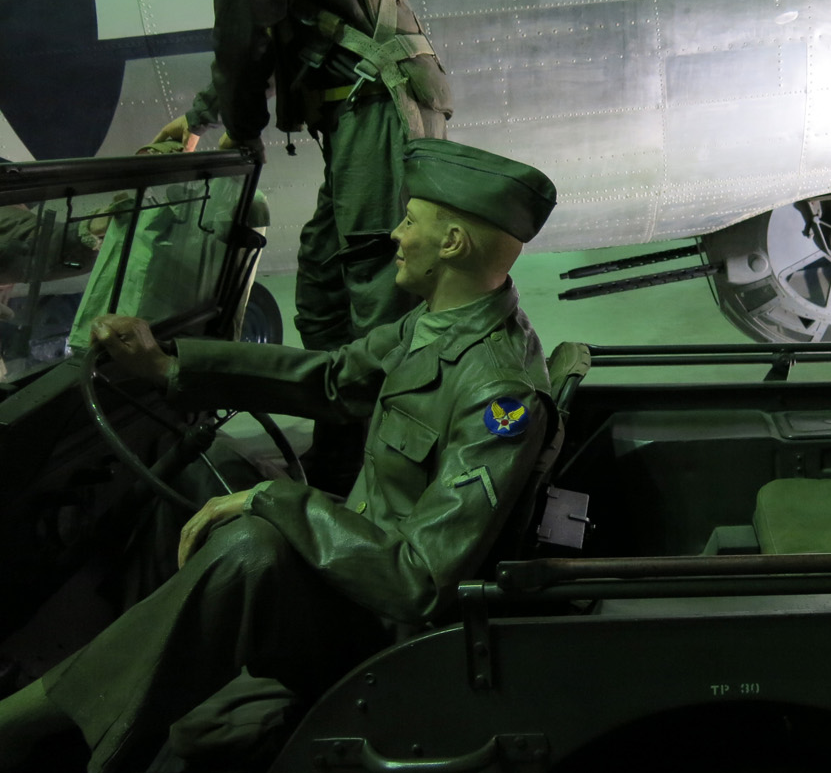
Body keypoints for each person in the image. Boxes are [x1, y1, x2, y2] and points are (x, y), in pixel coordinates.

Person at [0, 140, 557, 773]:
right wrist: (168, 366)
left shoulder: (498, 393)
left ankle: (34, 723)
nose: (396, 236)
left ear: (452, 243)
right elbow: (331, 379)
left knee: (251, 548)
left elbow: (419, 581)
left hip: (391, 629)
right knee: (208, 466)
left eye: (409, 221)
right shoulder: (437, 323)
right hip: (361, 567)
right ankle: (137, 676)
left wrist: (275, 500)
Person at [154, 0, 453, 353]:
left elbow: (245, 36)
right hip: (371, 109)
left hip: (376, 109)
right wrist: (200, 117)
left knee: (379, 284)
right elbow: (287, 30)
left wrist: (242, 133)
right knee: (324, 283)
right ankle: (335, 408)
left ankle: (389, 409)